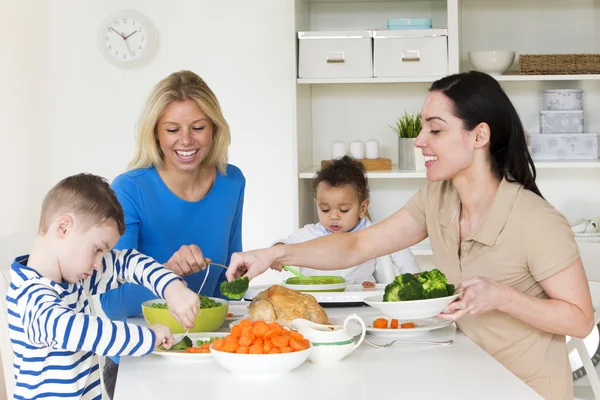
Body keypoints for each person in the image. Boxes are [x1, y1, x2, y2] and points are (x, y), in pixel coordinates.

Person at [226, 71, 594, 400]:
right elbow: (357, 244)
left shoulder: (535, 220)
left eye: (435, 129)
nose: (419, 141)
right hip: (465, 375)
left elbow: (580, 320)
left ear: (480, 135)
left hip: (524, 389)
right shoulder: (438, 198)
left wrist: (503, 297)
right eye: (422, 128)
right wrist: (271, 255)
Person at [100, 70, 245, 398]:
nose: (186, 141)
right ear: (155, 133)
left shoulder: (232, 181)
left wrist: (251, 276)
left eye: (198, 127)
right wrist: (169, 273)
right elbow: (111, 304)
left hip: (209, 347)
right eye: (172, 129)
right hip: (141, 355)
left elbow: (226, 287)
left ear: (214, 129)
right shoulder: (130, 190)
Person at [7, 173, 199, 400]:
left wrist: (170, 287)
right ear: (64, 228)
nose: (98, 264)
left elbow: (127, 262)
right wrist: (146, 337)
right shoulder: (31, 295)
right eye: (97, 249)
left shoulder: (71, 277)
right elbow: (78, 330)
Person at [272, 155, 419, 284]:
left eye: (343, 210)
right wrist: (276, 253)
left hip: (359, 298)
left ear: (362, 208)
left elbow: (399, 247)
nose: (333, 216)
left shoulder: (370, 232)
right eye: (325, 209)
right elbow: (285, 244)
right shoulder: (311, 233)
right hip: (317, 300)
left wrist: (414, 274)